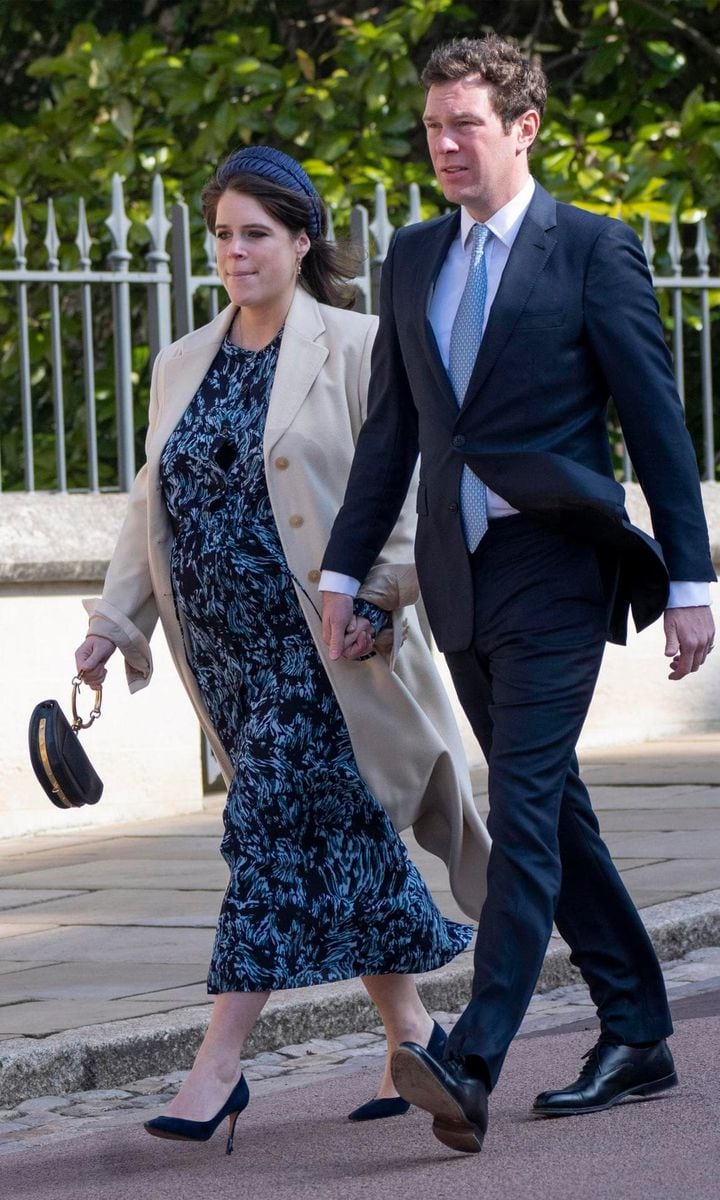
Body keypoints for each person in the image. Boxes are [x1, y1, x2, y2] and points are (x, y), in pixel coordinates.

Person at [321, 35, 716, 1155]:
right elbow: (393, 432)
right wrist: (346, 573)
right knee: (560, 813)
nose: (446, 144)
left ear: (524, 127)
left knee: (525, 807)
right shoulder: (409, 259)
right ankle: (639, 1029)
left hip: (558, 569)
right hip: (458, 578)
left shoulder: (591, 250)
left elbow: (657, 425)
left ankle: (474, 1056)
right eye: (434, 126)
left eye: (467, 126)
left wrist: (690, 579)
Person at [75, 145, 490, 1155]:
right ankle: (420, 1041)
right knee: (335, 838)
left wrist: (384, 597)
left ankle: (219, 1067)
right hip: (226, 658)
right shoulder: (183, 360)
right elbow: (151, 510)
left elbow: (410, 486)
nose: (234, 251)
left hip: (329, 653)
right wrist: (110, 623)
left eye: (256, 232)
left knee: (269, 835)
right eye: (221, 233)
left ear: (303, 241)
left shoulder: (357, 343)